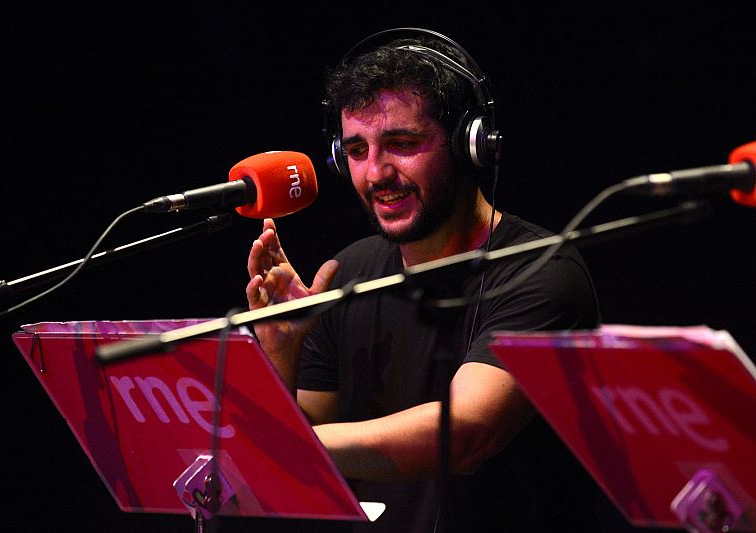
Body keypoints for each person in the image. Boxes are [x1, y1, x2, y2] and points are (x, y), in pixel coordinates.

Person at [244, 28, 619, 532]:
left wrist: (275, 441)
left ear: (470, 145)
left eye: (401, 143)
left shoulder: (542, 272)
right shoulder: (347, 273)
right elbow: (310, 452)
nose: (375, 174)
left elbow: (464, 434)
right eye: (356, 151)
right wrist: (280, 355)